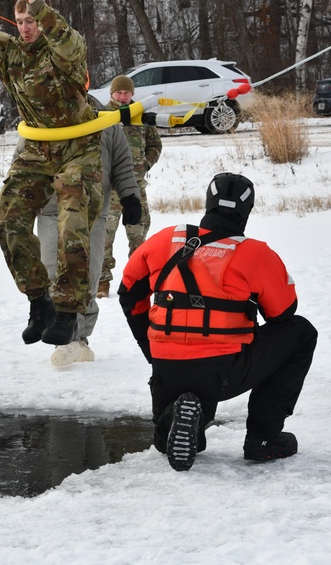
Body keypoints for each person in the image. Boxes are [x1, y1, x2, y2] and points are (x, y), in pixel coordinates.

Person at [0, 0, 115, 347]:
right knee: (10, 216)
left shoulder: (63, 51)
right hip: (37, 148)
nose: (25, 27)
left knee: (72, 219)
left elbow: (71, 43)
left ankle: (69, 313)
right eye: (20, 21)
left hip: (78, 145)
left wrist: (40, 7)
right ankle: (40, 303)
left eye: (31, 20)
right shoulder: (10, 53)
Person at [118, 173, 317, 471]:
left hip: (166, 370)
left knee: (166, 442)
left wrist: (151, 348)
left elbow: (128, 294)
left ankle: (175, 417)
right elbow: (283, 314)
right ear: (246, 212)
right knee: (301, 333)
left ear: (208, 204)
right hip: (224, 372)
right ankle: (264, 438)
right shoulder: (255, 253)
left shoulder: (165, 239)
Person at [22, 124, 140, 366]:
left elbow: (122, 166)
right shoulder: (41, 115)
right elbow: (22, 160)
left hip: (92, 210)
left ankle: (80, 338)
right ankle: (65, 340)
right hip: (51, 211)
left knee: (87, 274)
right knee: (54, 272)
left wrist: (130, 198)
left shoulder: (106, 123)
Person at [99, 75, 163, 297]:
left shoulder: (139, 115)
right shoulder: (104, 116)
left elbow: (155, 144)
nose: (123, 97)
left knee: (138, 235)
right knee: (104, 237)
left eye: (126, 93)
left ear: (132, 94)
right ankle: (102, 281)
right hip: (110, 191)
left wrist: (146, 163)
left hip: (136, 188)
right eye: (119, 93)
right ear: (112, 94)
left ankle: (137, 280)